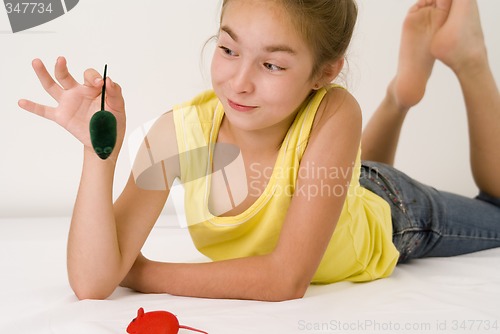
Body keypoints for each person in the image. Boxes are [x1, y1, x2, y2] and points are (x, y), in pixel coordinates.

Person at [18, 0, 499, 302]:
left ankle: (466, 61)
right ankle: (400, 95)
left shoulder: (336, 110)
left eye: (271, 63)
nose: (240, 82)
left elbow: (284, 280)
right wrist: (98, 154)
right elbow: (91, 283)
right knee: (347, 178)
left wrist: (142, 272)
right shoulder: (176, 135)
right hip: (334, 184)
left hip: (393, 210)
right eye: (228, 50)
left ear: (325, 72)